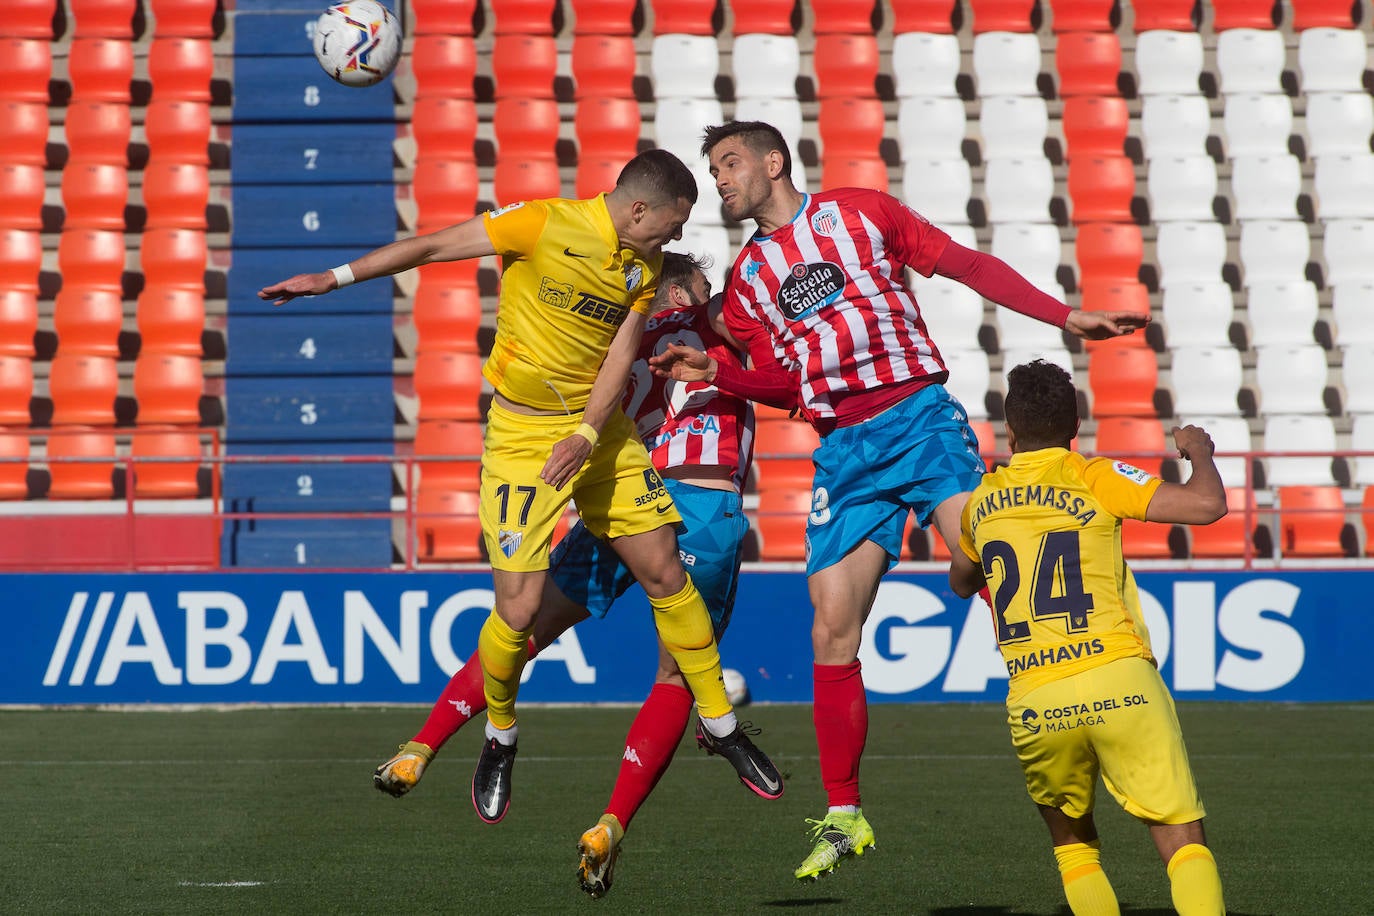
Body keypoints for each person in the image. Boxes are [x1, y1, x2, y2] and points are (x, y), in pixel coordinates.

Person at [649, 120, 1150, 881]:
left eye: (729, 163)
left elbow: (966, 264)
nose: (719, 179)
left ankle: (1092, 710)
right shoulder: (750, 279)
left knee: (992, 566)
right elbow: (789, 384)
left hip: (915, 414)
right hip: (845, 449)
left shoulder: (862, 213)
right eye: (713, 168)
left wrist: (1063, 316)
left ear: (772, 161)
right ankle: (846, 814)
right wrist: (715, 376)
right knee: (831, 627)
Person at [259, 150, 778, 829]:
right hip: (523, 438)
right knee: (519, 609)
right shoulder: (540, 225)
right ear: (639, 209)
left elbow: (622, 353)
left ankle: (720, 722)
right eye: (671, 226)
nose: (674, 241)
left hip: (600, 433)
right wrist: (334, 277)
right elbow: (434, 245)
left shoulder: (642, 265)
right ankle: (500, 737)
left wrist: (591, 435)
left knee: (665, 571)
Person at [368, 252, 781, 898]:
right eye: (702, 278)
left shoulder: (621, 335)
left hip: (624, 498)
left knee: (522, 630)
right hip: (701, 506)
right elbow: (772, 338)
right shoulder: (717, 321)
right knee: (676, 675)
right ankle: (612, 825)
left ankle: (421, 745)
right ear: (683, 286)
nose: (712, 286)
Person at [948, 359, 1227, 916]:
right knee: (1181, 841)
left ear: (1008, 429)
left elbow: (961, 580)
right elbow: (1206, 505)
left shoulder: (981, 502)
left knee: (1074, 849)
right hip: (1118, 677)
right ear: (1075, 426)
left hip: (1036, 697)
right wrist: (1199, 450)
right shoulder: (1093, 475)